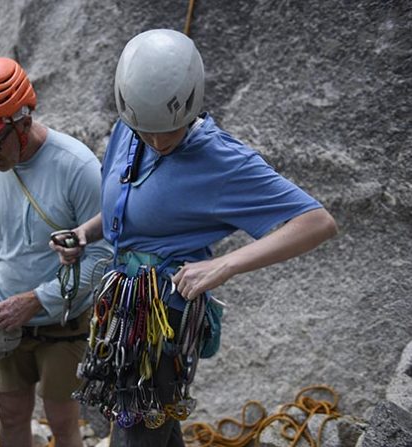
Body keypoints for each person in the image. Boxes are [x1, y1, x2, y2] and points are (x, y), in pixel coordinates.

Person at [50, 29, 338, 447]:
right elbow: (129, 207)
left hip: (161, 320)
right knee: (154, 429)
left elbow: (316, 222)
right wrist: (85, 232)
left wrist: (222, 266)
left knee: (136, 428)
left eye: (166, 130)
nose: (154, 140)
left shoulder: (221, 160)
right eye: (143, 130)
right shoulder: (131, 127)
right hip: (122, 308)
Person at [0, 56, 112, 447]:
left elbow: (103, 254)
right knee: (12, 416)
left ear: (21, 124)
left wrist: (38, 299)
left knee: (63, 420)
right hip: (5, 319)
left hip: (64, 320)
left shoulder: (76, 166)